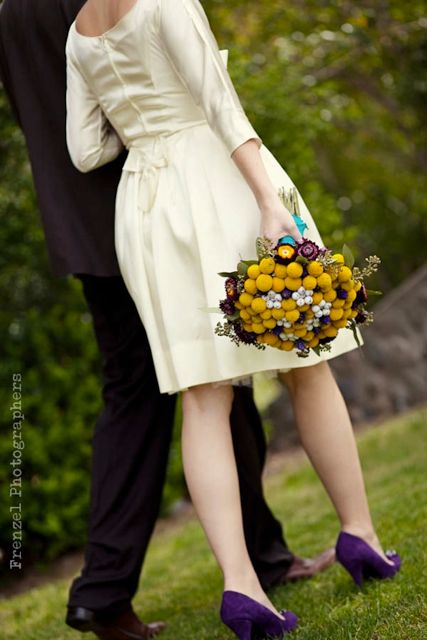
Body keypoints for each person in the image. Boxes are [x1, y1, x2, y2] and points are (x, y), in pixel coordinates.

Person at [65, 0, 402, 637]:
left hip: (145, 206)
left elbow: (84, 151)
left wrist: (144, 126)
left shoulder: (78, 32)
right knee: (307, 361)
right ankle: (360, 534)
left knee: (201, 395)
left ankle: (242, 587)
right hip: (219, 178)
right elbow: (220, 103)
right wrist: (270, 206)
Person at [0, 1, 335, 639]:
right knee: (192, 390)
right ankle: (110, 587)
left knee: (204, 392)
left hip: (93, 226)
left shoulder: (12, 10)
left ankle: (255, 558)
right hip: (160, 212)